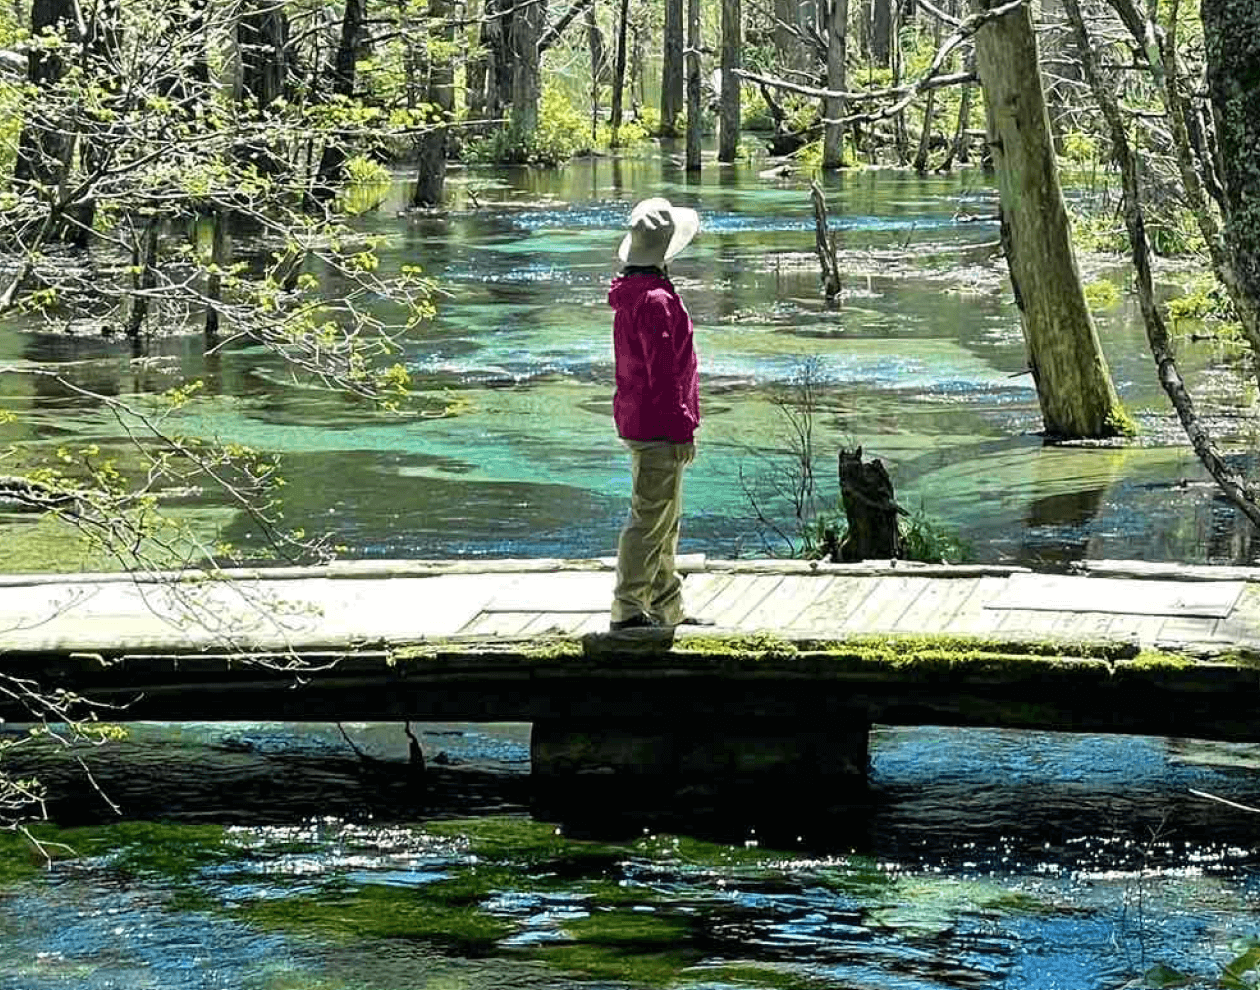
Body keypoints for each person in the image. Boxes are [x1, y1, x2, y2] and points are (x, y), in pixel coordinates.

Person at [607, 197, 709, 631]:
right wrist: (681, 429)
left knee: (664, 521)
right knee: (651, 521)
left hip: (641, 421)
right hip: (657, 428)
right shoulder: (655, 301)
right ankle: (629, 609)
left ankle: (667, 608)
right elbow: (663, 376)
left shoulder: (635, 296)